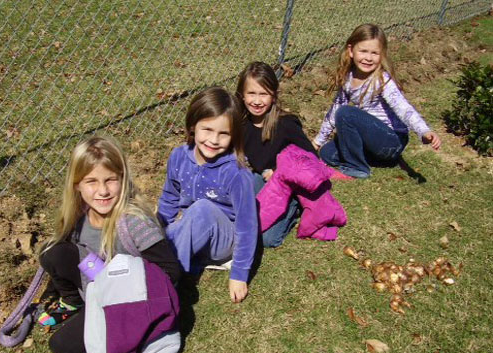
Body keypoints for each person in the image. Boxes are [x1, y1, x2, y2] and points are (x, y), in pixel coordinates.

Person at [38, 135, 181, 353]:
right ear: (76, 185)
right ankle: (75, 303)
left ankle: (133, 337)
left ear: (122, 179)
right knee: (52, 251)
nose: (102, 190)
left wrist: (129, 290)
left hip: (131, 301)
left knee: (62, 347)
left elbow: (171, 272)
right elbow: (74, 256)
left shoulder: (133, 222)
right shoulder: (79, 216)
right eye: (91, 181)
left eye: (110, 180)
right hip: (99, 286)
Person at [158, 86, 258, 304]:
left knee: (201, 209)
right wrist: (158, 231)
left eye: (223, 134)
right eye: (207, 130)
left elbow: (247, 226)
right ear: (193, 126)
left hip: (223, 241)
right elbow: (169, 198)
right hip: (190, 233)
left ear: (234, 136)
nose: (214, 140)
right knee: (146, 230)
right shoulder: (178, 156)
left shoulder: (236, 173)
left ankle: (168, 281)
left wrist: (239, 274)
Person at [314, 23, 441, 178]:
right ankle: (380, 160)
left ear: (382, 55)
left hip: (392, 141)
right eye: (363, 51)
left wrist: (424, 131)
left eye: (374, 53)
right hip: (373, 141)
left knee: (346, 113)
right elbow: (334, 112)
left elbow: (403, 107)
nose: (368, 58)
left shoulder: (381, 80)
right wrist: (318, 142)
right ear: (351, 50)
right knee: (327, 153)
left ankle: (358, 168)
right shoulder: (348, 77)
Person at [236, 61, 324, 248]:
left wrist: (279, 171)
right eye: (251, 93)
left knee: (267, 239)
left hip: (288, 186)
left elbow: (311, 159)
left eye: (263, 94)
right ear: (242, 95)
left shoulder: (286, 124)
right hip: (262, 180)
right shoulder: (240, 124)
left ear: (274, 95)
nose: (257, 101)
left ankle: (294, 208)